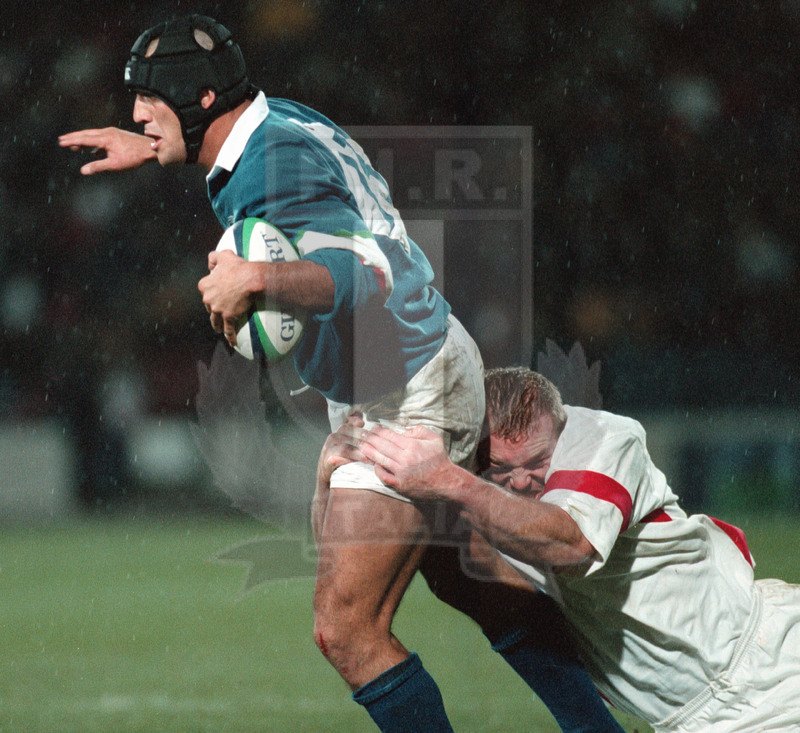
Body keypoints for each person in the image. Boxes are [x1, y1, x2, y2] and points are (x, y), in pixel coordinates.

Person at [59, 15, 625, 732]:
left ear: (200, 99)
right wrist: (150, 146)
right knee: (467, 577)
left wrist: (253, 279)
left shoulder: (272, 168)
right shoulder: (272, 124)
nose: (136, 112)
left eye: (147, 98)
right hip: (411, 362)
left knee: (347, 630)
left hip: (407, 388)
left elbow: (365, 275)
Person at [355, 366, 800, 732]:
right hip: (695, 716)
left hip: (769, 665)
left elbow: (572, 544)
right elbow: (446, 569)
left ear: (560, 429)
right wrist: (347, 464)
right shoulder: (484, 491)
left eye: (536, 462)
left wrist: (451, 481)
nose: (522, 482)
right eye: (501, 468)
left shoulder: (603, 439)